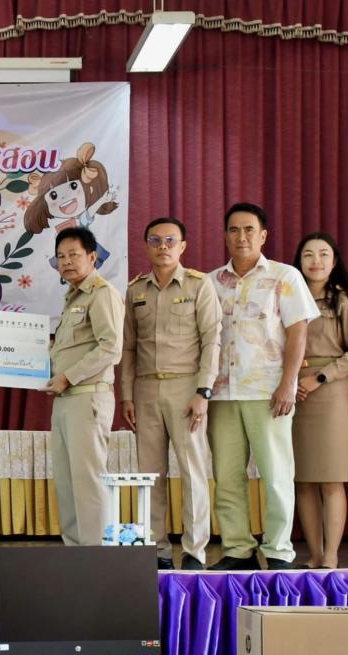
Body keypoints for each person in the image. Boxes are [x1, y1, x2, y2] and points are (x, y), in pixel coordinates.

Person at [207, 203, 319, 570]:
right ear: (225, 235)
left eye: (249, 229)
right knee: (227, 476)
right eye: (234, 230)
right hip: (221, 393)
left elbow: (298, 333)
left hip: (268, 391)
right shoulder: (211, 282)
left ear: (263, 235)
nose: (241, 237)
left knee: (276, 475)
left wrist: (288, 384)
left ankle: (278, 549)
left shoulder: (285, 276)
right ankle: (237, 549)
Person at [118, 217, 220, 569]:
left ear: (183, 246)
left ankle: (194, 551)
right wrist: (126, 395)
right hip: (145, 389)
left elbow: (212, 340)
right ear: (146, 246)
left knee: (193, 471)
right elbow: (128, 347)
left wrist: (203, 391)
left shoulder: (199, 285)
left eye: (170, 240)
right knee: (149, 475)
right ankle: (156, 549)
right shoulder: (135, 290)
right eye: (155, 240)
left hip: (186, 388)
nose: (163, 246)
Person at [290, 233, 348, 569]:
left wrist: (320, 377)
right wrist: (291, 381)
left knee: (331, 478)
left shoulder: (343, 299)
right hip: (294, 390)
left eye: (324, 254)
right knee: (304, 480)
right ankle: (315, 553)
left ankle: (332, 555)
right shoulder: (287, 295)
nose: (316, 261)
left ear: (334, 261)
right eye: (308, 254)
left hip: (331, 391)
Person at [47, 226, 124, 546]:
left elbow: (111, 347)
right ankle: (74, 552)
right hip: (65, 399)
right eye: (60, 257)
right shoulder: (73, 297)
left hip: (87, 398)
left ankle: (95, 557)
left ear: (92, 257)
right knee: (67, 482)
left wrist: (68, 376)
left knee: (88, 482)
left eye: (73, 255)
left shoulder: (102, 293)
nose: (66, 262)